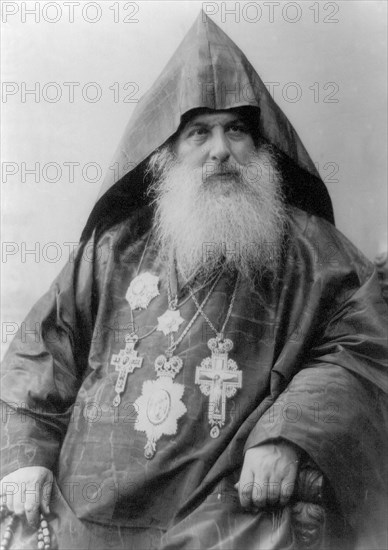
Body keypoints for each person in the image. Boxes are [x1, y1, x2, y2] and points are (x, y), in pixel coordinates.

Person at [1, 11, 387, 550]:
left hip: (224, 498)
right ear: (167, 154)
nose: (220, 150)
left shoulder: (309, 248)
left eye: (237, 131)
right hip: (82, 506)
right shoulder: (115, 248)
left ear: (262, 147)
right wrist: (25, 454)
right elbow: (43, 348)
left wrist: (289, 434)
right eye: (199, 132)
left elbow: (365, 346)